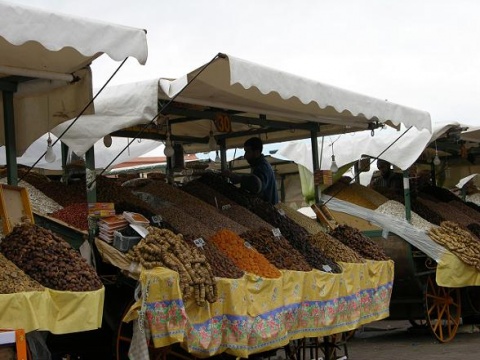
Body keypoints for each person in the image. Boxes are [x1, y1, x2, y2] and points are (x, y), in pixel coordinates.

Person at [224, 137, 279, 204]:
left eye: (247, 152)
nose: (245, 156)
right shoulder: (258, 166)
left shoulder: (263, 167)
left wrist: (238, 178)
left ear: (256, 152)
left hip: (267, 210)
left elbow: (257, 185)